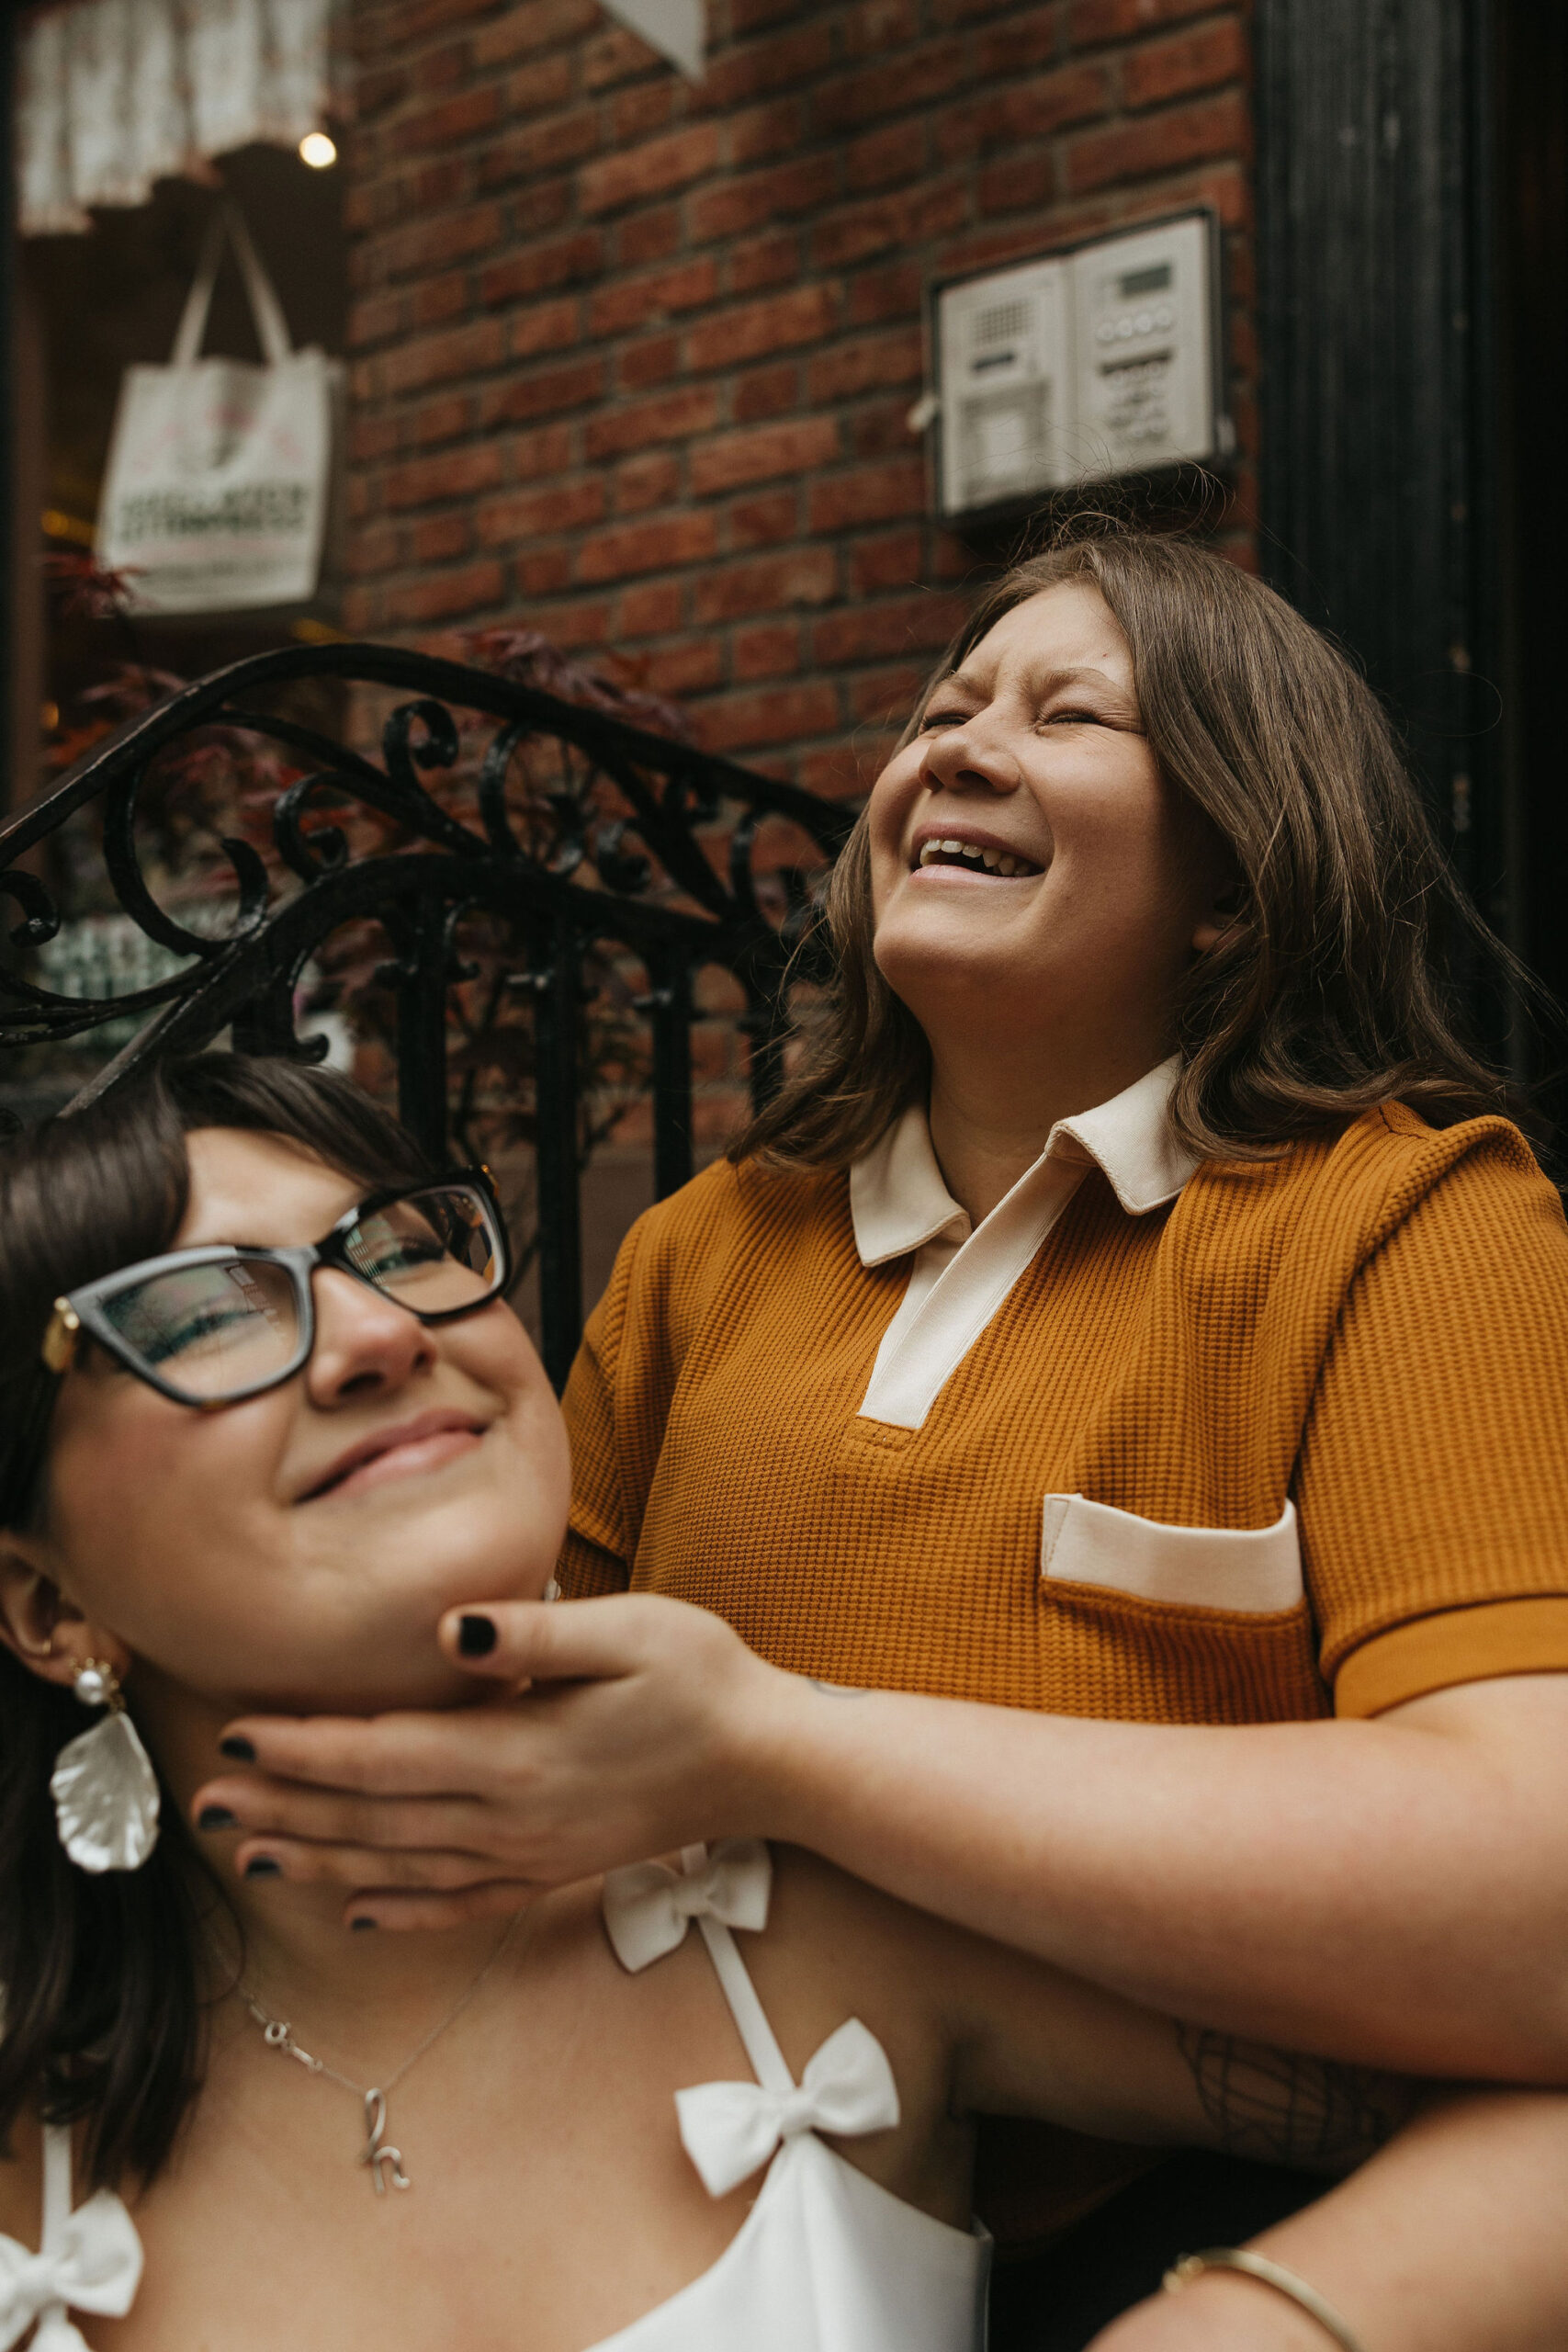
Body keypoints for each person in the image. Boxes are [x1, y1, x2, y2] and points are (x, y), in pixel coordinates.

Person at [195, 529, 1568, 2347]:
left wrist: (776, 1744)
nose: (957, 745)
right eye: (940, 709)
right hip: (713, 2207)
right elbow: (535, 1747)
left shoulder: (1408, 1220)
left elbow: (1530, 1899)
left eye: (1070, 712)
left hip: (1196, 2220)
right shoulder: (700, 1249)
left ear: (1234, 876)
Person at [2, 1052, 1478, 2352]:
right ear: (48, 1602)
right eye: (200, 1313)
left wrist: (1257, 2320)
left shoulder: (831, 1942)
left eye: (396, 1248)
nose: (383, 1333)